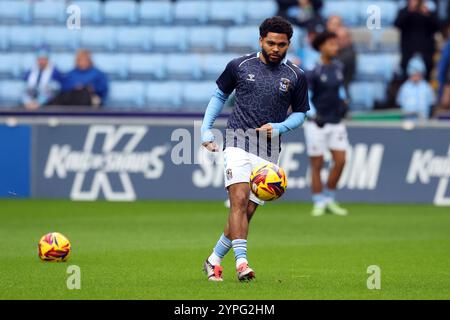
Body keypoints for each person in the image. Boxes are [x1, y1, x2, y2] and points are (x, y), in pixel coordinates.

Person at [200, 16, 309, 281]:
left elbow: (302, 113)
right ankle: (242, 264)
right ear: (261, 40)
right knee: (237, 201)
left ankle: (213, 260)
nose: (275, 49)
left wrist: (280, 127)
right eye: (270, 43)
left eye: (281, 45)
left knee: (246, 212)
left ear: (288, 45)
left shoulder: (295, 76)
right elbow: (218, 97)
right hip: (237, 140)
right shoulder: (239, 66)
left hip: (269, 150)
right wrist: (206, 130)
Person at [304, 31, 349, 217]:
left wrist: (344, 101)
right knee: (317, 163)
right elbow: (305, 96)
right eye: (331, 44)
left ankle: (329, 197)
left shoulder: (338, 67)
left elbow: (340, 88)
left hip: (336, 121)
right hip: (317, 124)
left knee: (340, 160)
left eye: (336, 44)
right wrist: (314, 115)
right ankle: (318, 200)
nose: (335, 47)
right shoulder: (313, 69)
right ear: (321, 47)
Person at [394, 0, 439, 80]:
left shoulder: (429, 10)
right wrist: (409, 10)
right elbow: (397, 24)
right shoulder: (404, 10)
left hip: (426, 53)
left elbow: (437, 27)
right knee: (406, 78)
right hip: (408, 52)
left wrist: (427, 13)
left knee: (426, 78)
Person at [335, 27, 356, 98]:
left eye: (343, 38)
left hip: (343, 90)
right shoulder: (337, 52)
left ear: (349, 39)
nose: (339, 41)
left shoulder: (350, 54)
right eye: (337, 38)